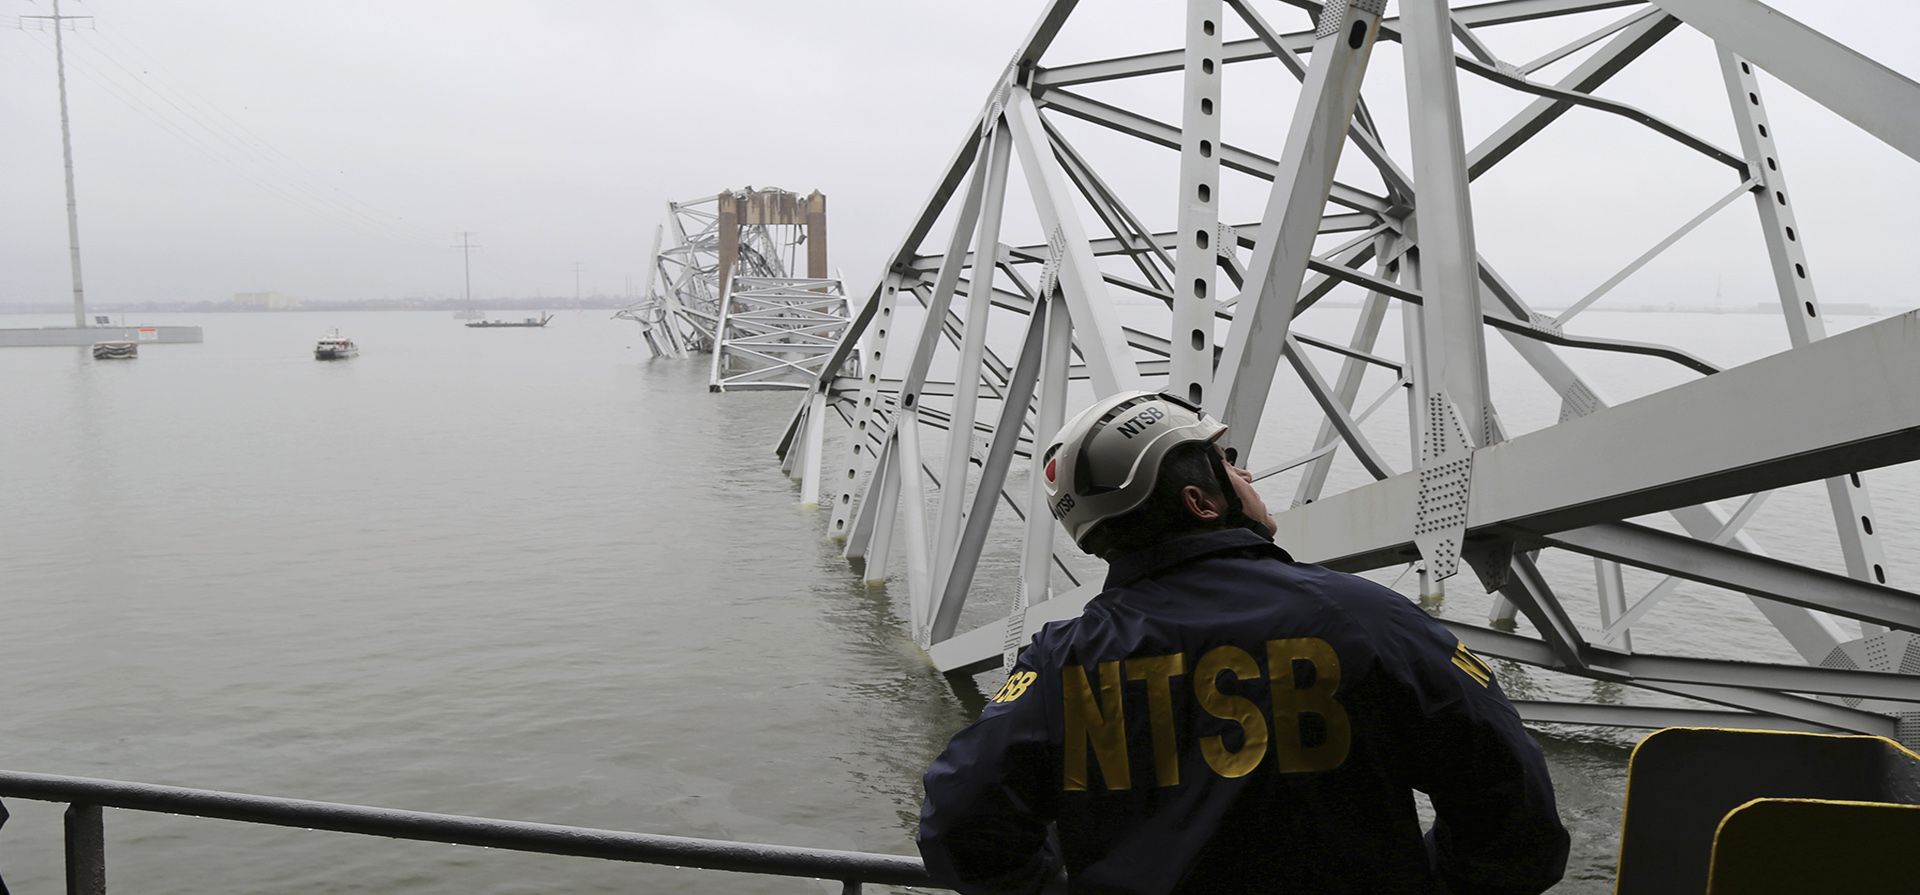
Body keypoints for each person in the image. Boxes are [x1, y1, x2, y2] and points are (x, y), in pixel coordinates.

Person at [917, 390, 1568, 894]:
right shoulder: (1369, 620)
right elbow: (1516, 816)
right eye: (1227, 461)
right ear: (1201, 502)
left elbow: (959, 825)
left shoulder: (1060, 663)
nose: (1247, 468)